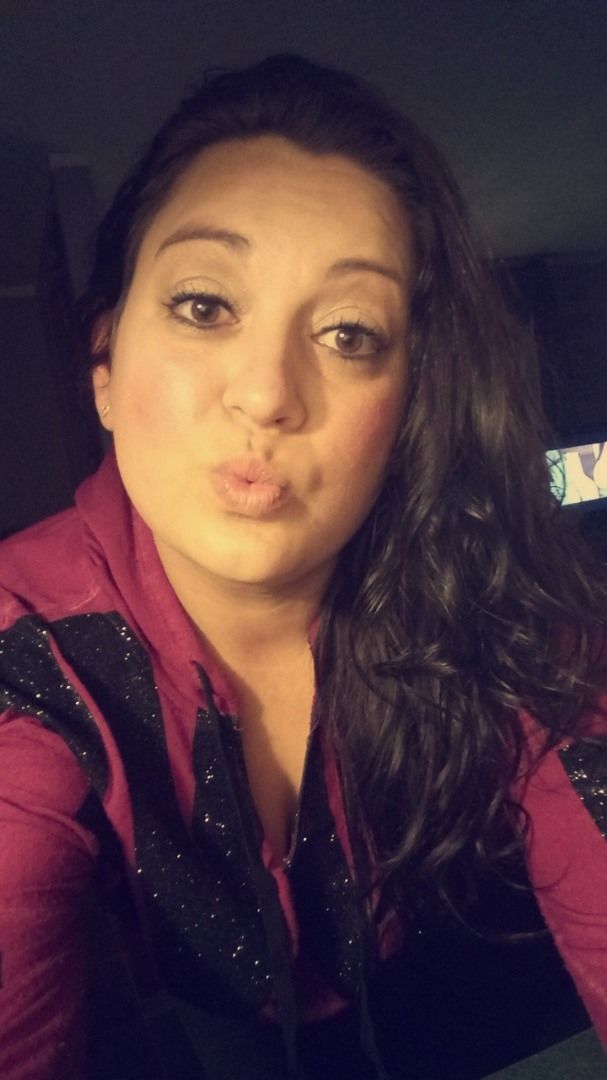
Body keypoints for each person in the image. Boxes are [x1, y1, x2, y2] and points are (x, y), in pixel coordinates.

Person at [0, 53, 606, 1080]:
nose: (268, 393)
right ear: (104, 365)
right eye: (204, 305)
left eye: (348, 332)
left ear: (407, 404)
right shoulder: (26, 652)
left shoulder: (495, 603)